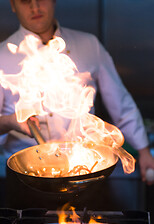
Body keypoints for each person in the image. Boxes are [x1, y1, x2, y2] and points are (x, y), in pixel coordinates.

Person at [0, 0, 154, 185]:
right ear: (13, 4)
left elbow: (120, 102)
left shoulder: (89, 45)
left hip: (86, 171)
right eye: (25, 0)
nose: (35, 6)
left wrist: (144, 150)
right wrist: (11, 121)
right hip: (26, 178)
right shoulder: (2, 55)